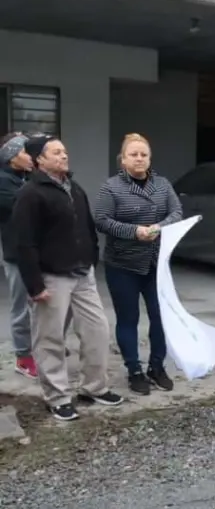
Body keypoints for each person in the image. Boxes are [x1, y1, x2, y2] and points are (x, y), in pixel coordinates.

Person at [11, 135, 123, 421]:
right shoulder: (31, 193)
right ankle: (57, 396)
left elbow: (87, 226)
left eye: (64, 151)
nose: (63, 156)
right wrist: (35, 285)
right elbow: (24, 242)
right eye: (56, 152)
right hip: (51, 277)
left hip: (82, 274)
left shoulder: (74, 187)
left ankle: (94, 387)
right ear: (40, 160)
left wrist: (91, 257)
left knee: (97, 330)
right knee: (49, 339)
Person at [93, 133, 182, 395]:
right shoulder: (111, 187)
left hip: (156, 264)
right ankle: (134, 370)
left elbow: (176, 212)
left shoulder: (162, 184)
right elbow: (102, 220)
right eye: (134, 154)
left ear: (150, 158)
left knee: (160, 316)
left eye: (144, 154)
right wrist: (135, 231)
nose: (139, 159)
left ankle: (157, 366)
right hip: (123, 264)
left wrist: (158, 227)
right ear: (123, 160)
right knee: (128, 318)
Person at [0, 132, 35, 378]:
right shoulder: (3, 182)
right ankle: (23, 357)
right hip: (16, 254)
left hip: (39, 251)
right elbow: (29, 208)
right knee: (22, 307)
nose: (32, 156)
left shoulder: (28, 178)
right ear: (12, 157)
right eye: (26, 152)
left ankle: (42, 348)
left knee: (46, 304)